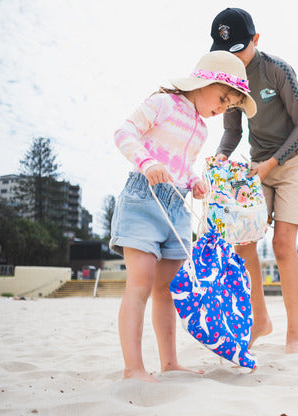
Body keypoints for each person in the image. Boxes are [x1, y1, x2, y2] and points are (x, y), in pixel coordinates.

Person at [109, 51, 256, 382]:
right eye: (221, 99)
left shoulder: (202, 131)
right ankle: (133, 368)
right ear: (205, 82)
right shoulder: (162, 103)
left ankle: (170, 363)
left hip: (177, 207)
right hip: (143, 200)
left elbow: (182, 164)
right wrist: (147, 162)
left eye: (228, 107)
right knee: (140, 284)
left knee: (169, 289)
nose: (221, 109)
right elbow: (124, 133)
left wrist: (194, 181)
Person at [209, 8, 298, 353]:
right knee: (244, 244)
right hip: (257, 167)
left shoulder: (277, 70)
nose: (233, 57)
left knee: (284, 245)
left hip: (294, 161)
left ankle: (295, 334)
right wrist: (221, 157)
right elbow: (232, 132)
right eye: (226, 52)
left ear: (256, 39)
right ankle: (260, 320)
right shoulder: (227, 79)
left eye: (239, 48)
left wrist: (273, 162)